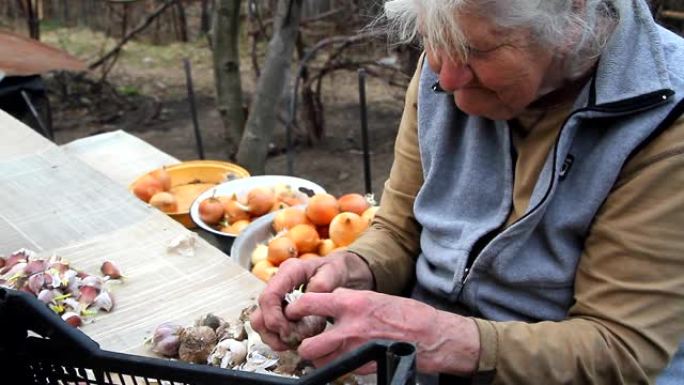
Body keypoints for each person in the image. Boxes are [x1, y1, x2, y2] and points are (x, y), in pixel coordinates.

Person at [251, 0, 684, 383]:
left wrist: (435, 335)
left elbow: (621, 351)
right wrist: (350, 267)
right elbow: (401, 229)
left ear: (572, 15)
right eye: (430, 38)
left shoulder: (666, 123)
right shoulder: (446, 57)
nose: (447, 76)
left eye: (477, 50)